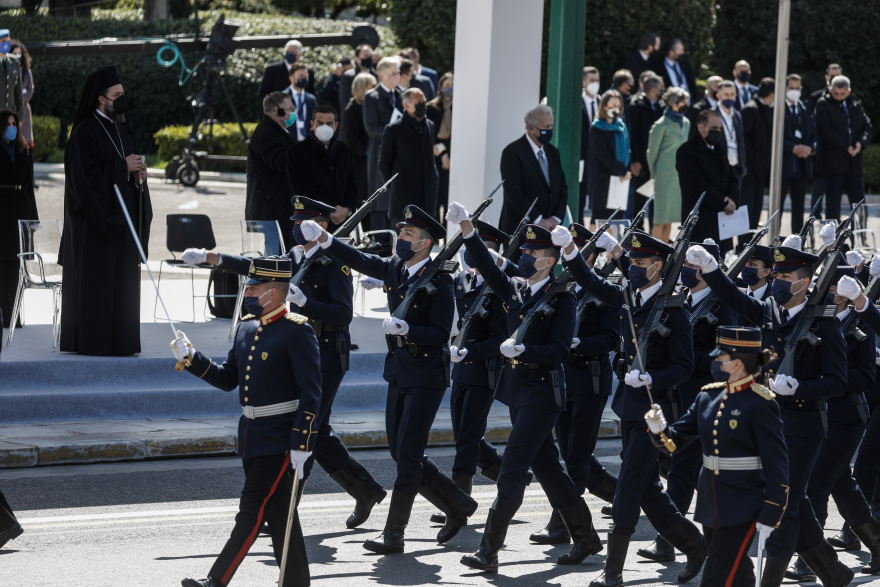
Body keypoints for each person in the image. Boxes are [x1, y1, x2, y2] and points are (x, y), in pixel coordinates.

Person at [183, 197, 387, 531]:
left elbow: (343, 315)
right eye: (295, 221)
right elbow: (256, 267)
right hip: (298, 353)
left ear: (322, 226)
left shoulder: (336, 260)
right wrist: (212, 258)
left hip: (326, 355)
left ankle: (283, 510)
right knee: (317, 432)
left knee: (302, 429)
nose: (296, 228)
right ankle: (365, 490)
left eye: (304, 222)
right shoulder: (294, 256)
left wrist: (305, 303)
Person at [299, 205, 478, 554]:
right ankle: (456, 503)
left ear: (426, 244)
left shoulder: (440, 280)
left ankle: (394, 533)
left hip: (426, 375)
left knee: (409, 456)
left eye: (409, 235)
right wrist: (324, 238)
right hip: (398, 371)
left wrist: (408, 329)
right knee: (399, 452)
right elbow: (359, 258)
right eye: (401, 232)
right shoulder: (397, 269)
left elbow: (441, 333)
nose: (401, 238)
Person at [446, 207, 602, 572]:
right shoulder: (518, 290)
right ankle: (586, 536)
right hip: (519, 392)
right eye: (525, 253)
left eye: (533, 254)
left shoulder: (561, 298)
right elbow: (487, 266)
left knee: (513, 466)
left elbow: (562, 350)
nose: (525, 257)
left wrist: (525, 349)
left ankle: (489, 550)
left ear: (549, 263)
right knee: (549, 469)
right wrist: (467, 228)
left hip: (544, 394)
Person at [687, 240, 851, 586]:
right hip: (766, 422)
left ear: (804, 283)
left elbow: (838, 381)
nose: (777, 281)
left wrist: (800, 388)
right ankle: (832, 572)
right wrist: (713, 271)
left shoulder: (825, 323)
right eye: (775, 274)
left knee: (784, 505)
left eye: (785, 275)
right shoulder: (769, 312)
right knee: (795, 498)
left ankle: (769, 581)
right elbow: (734, 298)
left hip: (804, 426)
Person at [553, 229, 705, 587]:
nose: (633, 267)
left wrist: (650, 376)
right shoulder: (628, 297)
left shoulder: (674, 311)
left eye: (640, 262)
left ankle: (613, 572)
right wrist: (572, 251)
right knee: (649, 491)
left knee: (628, 490)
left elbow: (683, 367)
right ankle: (696, 546)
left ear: (658, 266)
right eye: (631, 261)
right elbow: (591, 282)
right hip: (628, 406)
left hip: (654, 413)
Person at [174, 256, 320, 587]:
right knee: (280, 514)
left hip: (281, 439)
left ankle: (216, 581)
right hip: (252, 435)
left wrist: (301, 443)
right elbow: (228, 379)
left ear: (274, 292)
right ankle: (296, 582)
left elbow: (311, 393)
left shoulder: (297, 331)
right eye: (249, 287)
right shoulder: (246, 327)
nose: (249, 293)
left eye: (255, 288)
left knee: (251, 512)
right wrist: (192, 359)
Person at [645, 326, 789, 587]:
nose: (716, 361)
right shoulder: (708, 396)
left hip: (743, 503)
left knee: (716, 576)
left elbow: (776, 463)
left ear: (737, 363)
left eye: (721, 357)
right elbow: (674, 443)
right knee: (738, 573)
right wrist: (659, 428)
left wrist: (772, 510)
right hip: (711, 501)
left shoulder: (761, 403)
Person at [638, 240, 737, 563]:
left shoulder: (724, 306)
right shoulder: (680, 301)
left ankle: (673, 541)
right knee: (685, 468)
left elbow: (725, 360)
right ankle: (679, 539)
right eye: (687, 265)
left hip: (707, 397)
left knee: (686, 468)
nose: (687, 272)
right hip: (678, 397)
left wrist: (680, 356)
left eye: (695, 267)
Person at [786, 266, 880, 581]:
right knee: (843, 486)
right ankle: (878, 546)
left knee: (816, 485)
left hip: (845, 417)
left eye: (834, 286)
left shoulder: (859, 327)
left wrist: (829, 375)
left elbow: (866, 377)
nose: (827, 291)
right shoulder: (814, 320)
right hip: (818, 414)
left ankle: (810, 561)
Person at [529, 223, 620, 547]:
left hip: (590, 382)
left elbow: (611, 338)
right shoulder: (560, 288)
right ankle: (623, 497)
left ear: (590, 256)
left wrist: (579, 343)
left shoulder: (602, 289)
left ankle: (562, 523)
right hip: (563, 380)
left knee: (577, 457)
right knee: (568, 453)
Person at [60, 66, 151, 356]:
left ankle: (120, 343)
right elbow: (82, 180)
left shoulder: (121, 131)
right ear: (101, 99)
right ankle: (93, 343)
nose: (122, 99)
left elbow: (127, 171)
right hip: (94, 227)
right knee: (96, 289)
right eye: (117, 95)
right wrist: (122, 167)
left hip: (121, 225)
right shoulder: (84, 132)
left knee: (122, 289)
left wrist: (138, 179)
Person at [441, 220, 509, 513]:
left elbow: (499, 338)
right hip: (462, 370)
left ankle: (460, 501)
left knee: (467, 437)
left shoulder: (501, 289)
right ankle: (506, 473)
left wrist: (471, 350)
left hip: (485, 370)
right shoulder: (463, 281)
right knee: (463, 434)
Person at [498, 104, 568, 237]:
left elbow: (562, 188)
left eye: (551, 126)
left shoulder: (553, 152)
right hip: (520, 230)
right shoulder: (512, 153)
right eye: (546, 127)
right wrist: (537, 219)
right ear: (531, 128)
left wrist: (556, 218)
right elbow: (513, 192)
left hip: (550, 230)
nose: (550, 130)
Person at [676, 109, 738, 249]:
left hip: (722, 220)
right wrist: (722, 203)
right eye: (714, 128)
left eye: (720, 128)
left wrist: (732, 199)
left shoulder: (719, 148)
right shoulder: (686, 151)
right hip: (701, 221)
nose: (717, 131)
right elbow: (696, 186)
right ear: (701, 128)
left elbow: (731, 177)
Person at [815, 75, 872, 222]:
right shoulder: (823, 104)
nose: (839, 97)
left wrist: (860, 144)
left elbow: (867, 127)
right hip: (833, 165)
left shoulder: (855, 104)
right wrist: (846, 145)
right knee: (833, 207)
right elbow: (826, 131)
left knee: (859, 206)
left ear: (849, 91)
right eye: (836, 94)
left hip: (854, 165)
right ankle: (833, 243)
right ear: (831, 90)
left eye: (842, 94)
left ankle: (859, 239)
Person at [245, 92, 298, 251]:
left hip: (278, 209)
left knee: (281, 257)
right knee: (275, 262)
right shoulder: (268, 132)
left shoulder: (277, 131)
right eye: (290, 108)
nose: (293, 112)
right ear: (278, 112)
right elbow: (280, 163)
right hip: (272, 212)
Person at [291, 105, 358, 231]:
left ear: (336, 125)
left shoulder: (345, 151)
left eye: (329, 123)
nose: (324, 127)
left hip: (340, 224)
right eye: (320, 123)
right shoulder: (297, 152)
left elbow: (352, 184)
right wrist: (333, 209)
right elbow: (301, 189)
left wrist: (347, 210)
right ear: (312, 124)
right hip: (310, 223)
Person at [379, 88, 438, 227]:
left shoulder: (430, 126)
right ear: (406, 105)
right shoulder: (393, 129)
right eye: (418, 103)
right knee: (403, 244)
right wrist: (395, 185)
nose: (423, 105)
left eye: (424, 102)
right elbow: (383, 163)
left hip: (427, 198)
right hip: (403, 199)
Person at [0, 108, 37, 329]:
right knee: (1, 265)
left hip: (18, 211)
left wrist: (33, 218)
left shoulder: (23, 151)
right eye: (8, 124)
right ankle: (2, 312)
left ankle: (14, 313)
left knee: (15, 265)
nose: (12, 128)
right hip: (1, 210)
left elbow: (30, 187)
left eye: (15, 124)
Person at [362, 56, 402, 230]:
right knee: (380, 200)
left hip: (398, 154)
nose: (397, 76)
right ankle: (379, 244)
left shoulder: (401, 95)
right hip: (380, 153)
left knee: (396, 202)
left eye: (398, 72)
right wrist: (392, 133)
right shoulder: (372, 97)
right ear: (381, 75)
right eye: (393, 73)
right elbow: (371, 127)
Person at [646, 87, 689, 244]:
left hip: (679, 175)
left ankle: (663, 252)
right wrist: (654, 175)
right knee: (660, 218)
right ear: (673, 103)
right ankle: (654, 250)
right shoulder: (660, 125)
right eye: (683, 102)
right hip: (663, 175)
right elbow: (652, 154)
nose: (686, 104)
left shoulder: (686, 122)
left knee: (670, 217)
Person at [587, 91, 630, 226]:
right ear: (604, 106)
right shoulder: (597, 127)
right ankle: (592, 247)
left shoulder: (622, 126)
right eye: (612, 105)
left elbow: (627, 149)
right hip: (602, 179)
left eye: (618, 105)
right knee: (600, 217)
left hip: (620, 179)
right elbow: (603, 155)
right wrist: (622, 170)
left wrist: (626, 171)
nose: (615, 109)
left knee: (617, 218)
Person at [781, 74, 817, 235]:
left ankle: (797, 240)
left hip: (802, 166)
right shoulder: (778, 109)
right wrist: (792, 148)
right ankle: (774, 239)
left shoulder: (805, 109)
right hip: (784, 165)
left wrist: (810, 149)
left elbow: (814, 135)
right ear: (785, 88)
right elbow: (775, 137)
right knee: (778, 205)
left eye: (797, 88)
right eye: (791, 88)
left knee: (799, 207)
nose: (794, 91)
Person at [627, 73, 664, 224]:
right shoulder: (636, 105)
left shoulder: (661, 106)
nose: (663, 91)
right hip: (641, 161)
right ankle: (637, 234)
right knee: (640, 201)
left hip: (657, 161)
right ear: (654, 89)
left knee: (658, 200)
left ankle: (656, 233)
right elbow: (632, 135)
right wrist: (634, 160)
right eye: (661, 88)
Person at [740, 77, 775, 230]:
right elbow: (743, 139)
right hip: (750, 171)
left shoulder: (766, 109)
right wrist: (753, 159)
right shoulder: (751, 109)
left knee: (756, 212)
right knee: (746, 211)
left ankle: (750, 245)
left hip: (761, 171)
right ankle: (742, 246)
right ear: (772, 95)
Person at [339, 72, 376, 212]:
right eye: (371, 86)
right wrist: (367, 152)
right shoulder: (352, 109)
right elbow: (351, 138)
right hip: (359, 161)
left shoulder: (369, 106)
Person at [425, 72, 453, 220]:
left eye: (452, 85)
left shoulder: (461, 107)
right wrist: (443, 155)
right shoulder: (431, 107)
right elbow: (431, 134)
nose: (450, 88)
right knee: (436, 195)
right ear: (441, 87)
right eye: (447, 85)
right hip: (436, 156)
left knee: (450, 196)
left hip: (454, 156)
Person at [715, 80, 748, 187]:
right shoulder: (711, 115)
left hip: (736, 169)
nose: (729, 97)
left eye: (732, 94)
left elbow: (741, 141)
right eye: (726, 94)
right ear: (718, 95)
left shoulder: (737, 115)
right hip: (719, 169)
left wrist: (743, 167)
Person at [580, 66, 601, 222]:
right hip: (581, 159)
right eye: (591, 80)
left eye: (597, 80)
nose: (595, 83)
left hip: (599, 160)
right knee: (580, 197)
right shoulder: (577, 103)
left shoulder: (602, 103)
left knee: (597, 202)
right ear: (584, 82)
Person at [338, 44, 377, 115]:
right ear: (357, 59)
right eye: (366, 56)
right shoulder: (348, 77)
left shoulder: (376, 75)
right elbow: (345, 102)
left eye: (371, 56)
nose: (369, 58)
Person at [283, 63, 318, 143]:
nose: (304, 79)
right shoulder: (282, 98)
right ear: (291, 78)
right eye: (301, 76)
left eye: (306, 77)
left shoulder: (311, 99)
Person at [9, 41, 32, 147]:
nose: (18, 55)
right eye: (15, 53)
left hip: (25, 111)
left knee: (25, 142)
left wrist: (20, 96)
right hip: (11, 109)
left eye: (19, 53)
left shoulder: (27, 71)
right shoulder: (7, 70)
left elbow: (30, 90)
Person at [0, 30, 22, 117]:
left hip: (10, 116)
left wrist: (20, 116)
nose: (6, 43)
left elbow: (18, 91)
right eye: (3, 41)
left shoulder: (14, 61)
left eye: (8, 41)